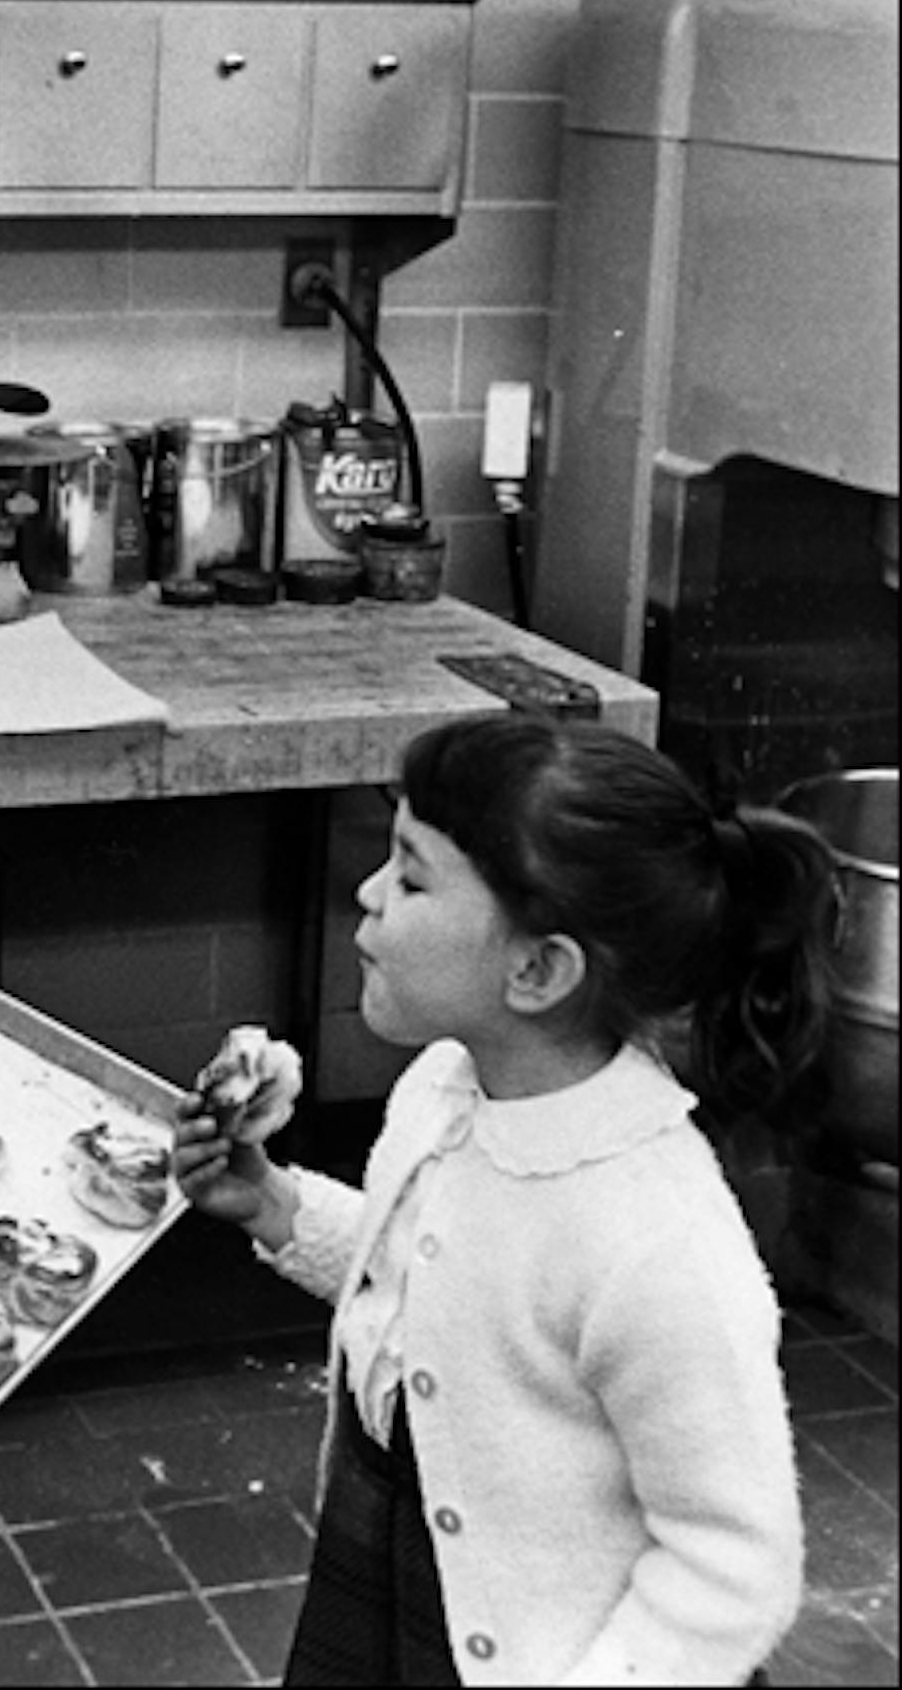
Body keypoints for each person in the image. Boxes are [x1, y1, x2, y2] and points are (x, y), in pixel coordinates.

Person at [174, 714, 837, 1687]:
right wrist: (274, 1205)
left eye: (410, 877)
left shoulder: (657, 1243)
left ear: (536, 970)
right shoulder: (445, 1088)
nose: (367, 893)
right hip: (393, 1569)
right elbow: (441, 1291)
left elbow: (736, 1565)